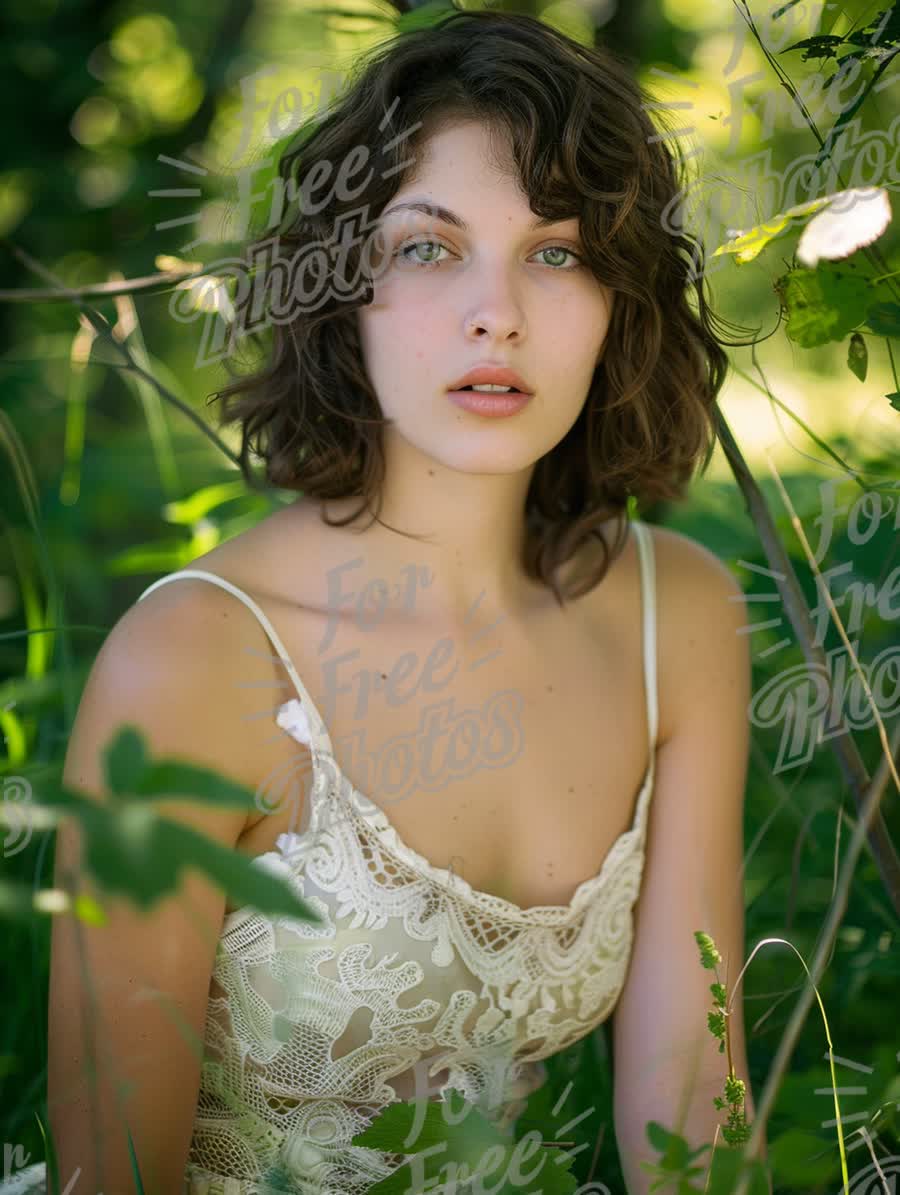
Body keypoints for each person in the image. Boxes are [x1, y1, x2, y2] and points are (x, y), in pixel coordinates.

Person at [20, 7, 766, 1195]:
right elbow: (110, 1176)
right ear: (342, 291)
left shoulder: (674, 616)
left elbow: (691, 1110)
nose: (499, 312)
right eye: (429, 247)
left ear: (620, 299)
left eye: (558, 250)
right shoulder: (199, 661)